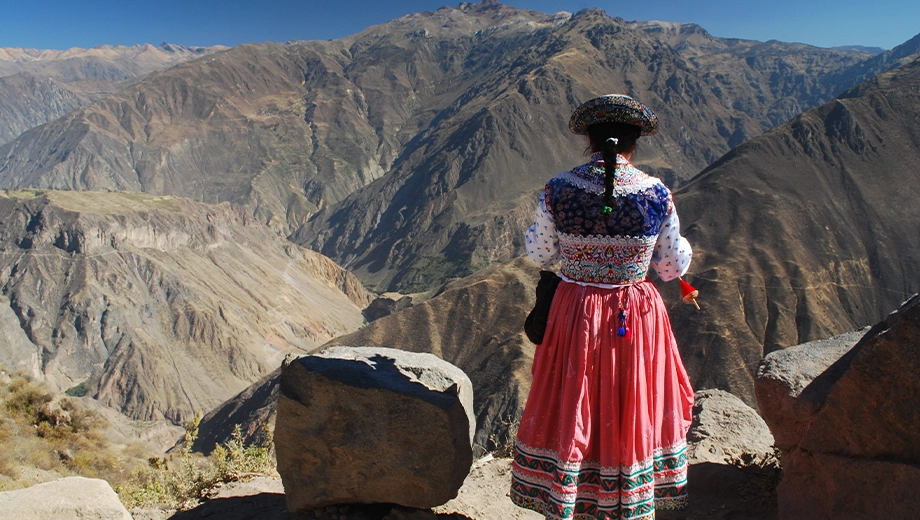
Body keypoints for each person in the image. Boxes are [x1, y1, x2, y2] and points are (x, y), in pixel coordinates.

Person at [511, 94, 694, 520]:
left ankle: (573, 495)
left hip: (576, 309)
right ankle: (626, 498)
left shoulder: (559, 189)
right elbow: (669, 268)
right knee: (630, 400)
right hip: (635, 312)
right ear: (635, 142)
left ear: (589, 140)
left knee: (576, 396)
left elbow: (540, 253)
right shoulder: (655, 193)